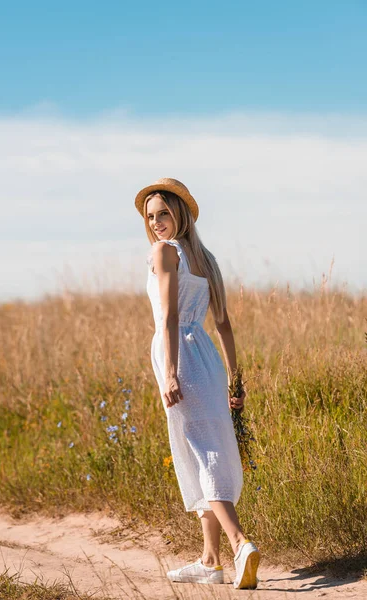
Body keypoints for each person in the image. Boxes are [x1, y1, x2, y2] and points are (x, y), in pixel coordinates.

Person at [134, 177, 260, 589]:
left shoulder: (164, 252)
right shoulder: (205, 257)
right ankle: (210, 560)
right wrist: (234, 380)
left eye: (164, 213)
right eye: (151, 217)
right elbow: (223, 325)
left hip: (181, 356)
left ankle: (240, 544)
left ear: (181, 213)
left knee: (201, 452)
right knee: (207, 448)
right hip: (205, 355)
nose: (156, 223)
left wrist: (169, 371)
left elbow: (168, 317)